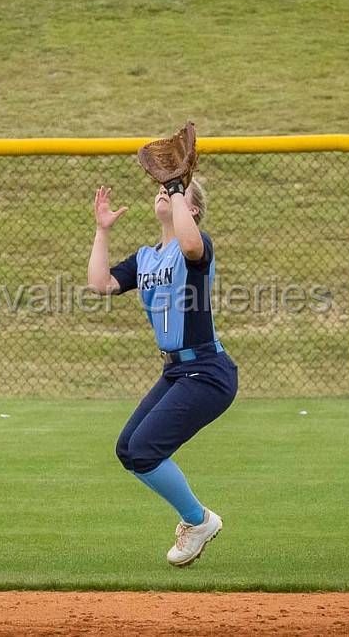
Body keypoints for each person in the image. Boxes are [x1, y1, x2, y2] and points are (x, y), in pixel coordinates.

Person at [86, 176, 238, 566]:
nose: (166, 192)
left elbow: (190, 243)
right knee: (128, 450)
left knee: (144, 450)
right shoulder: (146, 258)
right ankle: (197, 520)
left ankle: (198, 520)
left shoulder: (197, 248)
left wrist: (177, 191)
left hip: (207, 371)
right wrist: (102, 231)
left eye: (177, 191)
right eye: (164, 189)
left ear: (193, 210)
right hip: (176, 372)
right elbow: (99, 284)